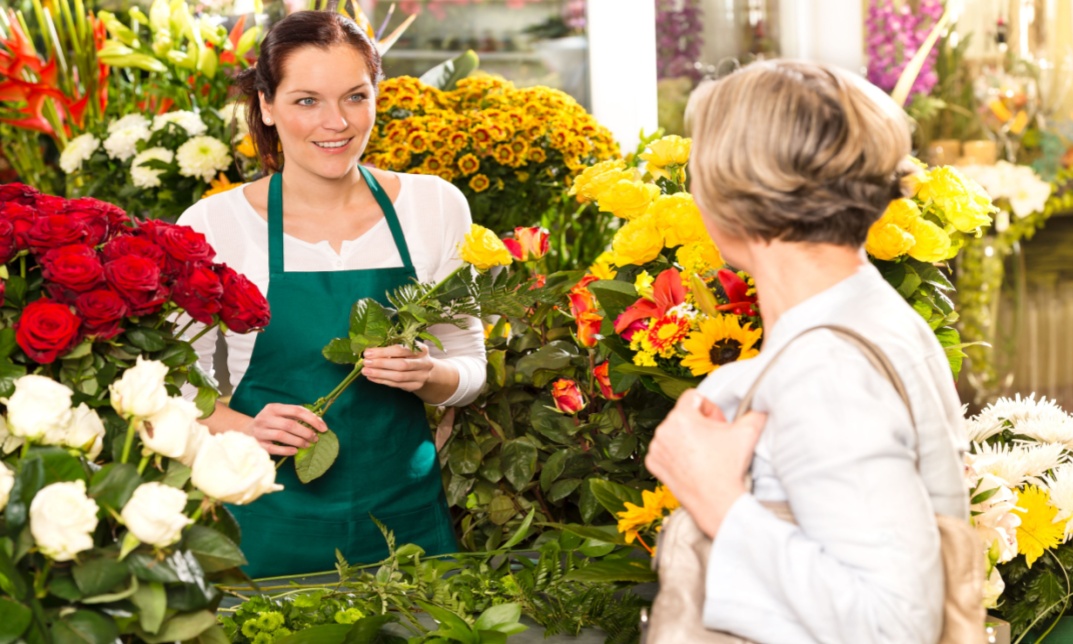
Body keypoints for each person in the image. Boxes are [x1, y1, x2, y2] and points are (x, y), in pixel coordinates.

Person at [644, 60, 969, 642]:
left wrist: (715, 496)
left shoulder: (827, 368)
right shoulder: (868, 317)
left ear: (732, 195)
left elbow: (893, 625)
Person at [176, 10, 485, 578]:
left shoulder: (434, 207)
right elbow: (173, 393)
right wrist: (244, 427)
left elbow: (470, 367)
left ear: (376, 96)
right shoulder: (212, 225)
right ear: (267, 105)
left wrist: (429, 375)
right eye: (306, 100)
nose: (337, 122)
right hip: (264, 525)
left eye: (355, 96)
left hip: (407, 529)